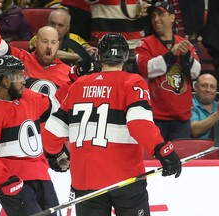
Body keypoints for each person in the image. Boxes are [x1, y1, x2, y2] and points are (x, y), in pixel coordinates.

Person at [41, 33, 182, 216]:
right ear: (125, 56)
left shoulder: (77, 86)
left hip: (85, 181)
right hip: (125, 179)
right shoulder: (132, 82)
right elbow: (139, 124)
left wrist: (55, 154)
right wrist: (163, 150)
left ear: (99, 56)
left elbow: (51, 132)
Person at [0, 55, 64, 216]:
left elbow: (58, 104)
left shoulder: (29, 98)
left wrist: (75, 79)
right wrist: (6, 181)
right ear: (6, 81)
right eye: (19, 76)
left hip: (41, 177)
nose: (24, 80)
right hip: (15, 180)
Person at [0, 2, 72, 109]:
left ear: (58, 45)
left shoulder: (68, 73)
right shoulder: (20, 59)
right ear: (36, 42)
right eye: (44, 41)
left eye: (53, 42)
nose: (49, 46)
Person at [134, 1, 201, 141]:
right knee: (155, 161)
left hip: (182, 119)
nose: (156, 19)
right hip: (155, 118)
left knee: (181, 161)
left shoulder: (184, 44)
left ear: (172, 18)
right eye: (153, 16)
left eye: (161, 15)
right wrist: (172, 54)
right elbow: (146, 68)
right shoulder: (144, 43)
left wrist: (185, 55)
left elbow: (196, 72)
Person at [29, 8, 97, 62]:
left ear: (67, 28)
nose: (56, 28)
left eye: (60, 25)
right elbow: (50, 53)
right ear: (47, 24)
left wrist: (90, 52)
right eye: (52, 24)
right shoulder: (38, 38)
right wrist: (79, 56)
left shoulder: (74, 38)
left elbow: (91, 52)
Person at [191, 73, 219, 139]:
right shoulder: (189, 105)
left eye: (212, 87)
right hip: (198, 147)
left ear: (216, 90)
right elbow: (195, 131)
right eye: (204, 86)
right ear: (195, 87)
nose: (208, 90)